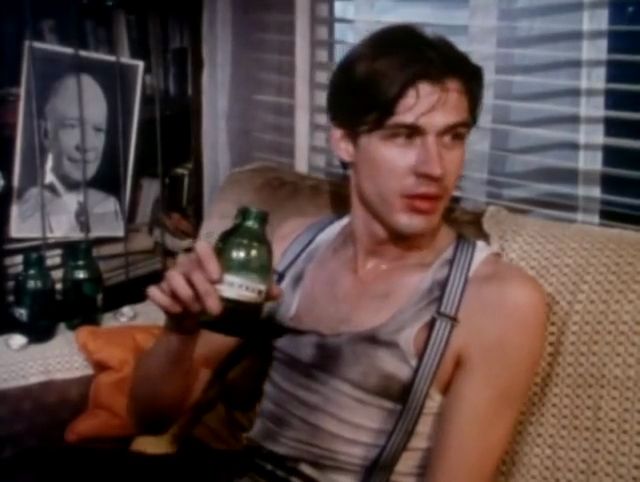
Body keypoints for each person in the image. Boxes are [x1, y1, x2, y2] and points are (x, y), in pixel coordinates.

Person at [3, 24, 546, 482]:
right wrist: (180, 332)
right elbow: (150, 417)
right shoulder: (292, 245)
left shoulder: (498, 302)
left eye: (453, 136)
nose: (435, 167)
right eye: (404, 135)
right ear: (345, 142)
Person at [12, 72, 123, 238]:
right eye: (72, 126)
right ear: (45, 133)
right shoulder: (27, 213)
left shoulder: (109, 205)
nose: (87, 145)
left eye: (98, 129)